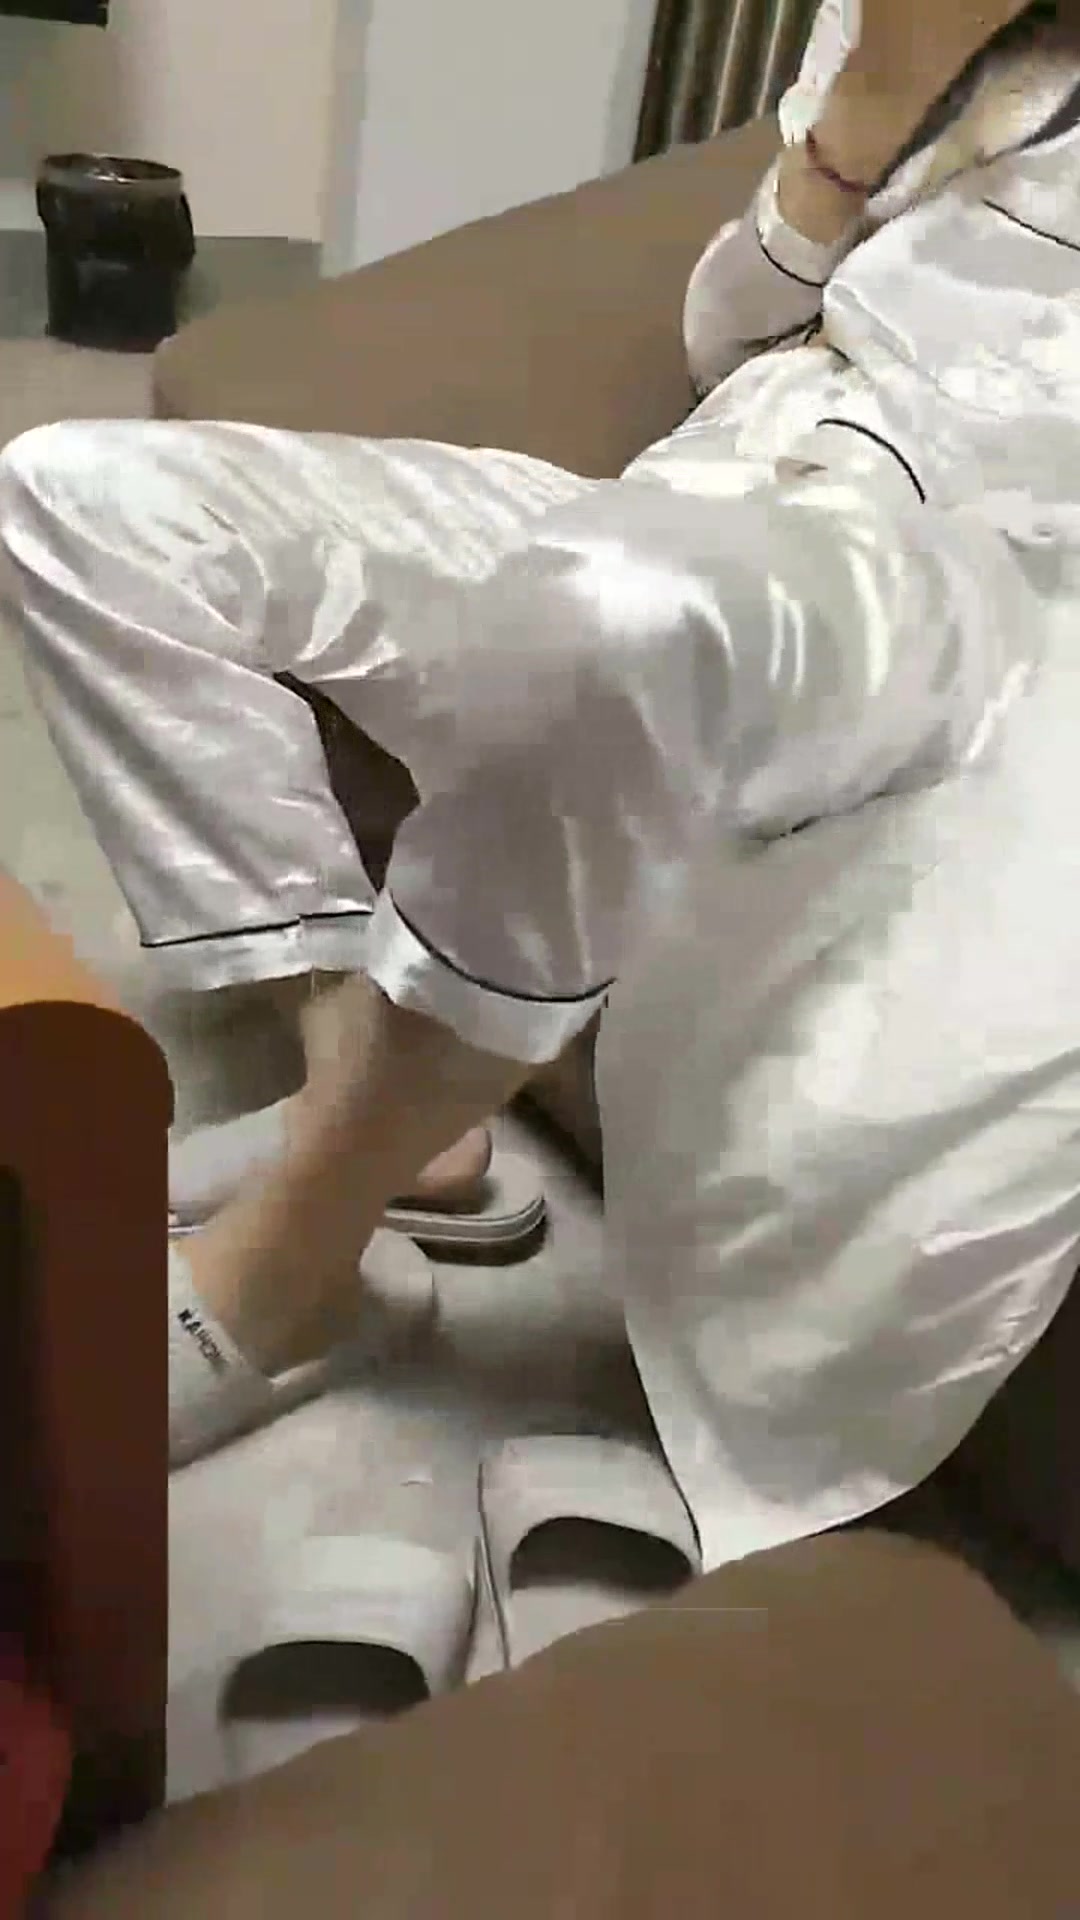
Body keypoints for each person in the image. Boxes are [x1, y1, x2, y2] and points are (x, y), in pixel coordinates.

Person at [3, 0, 1080, 1554]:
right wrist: (874, 102)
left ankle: (287, 1276)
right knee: (77, 494)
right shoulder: (907, 23)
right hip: (703, 493)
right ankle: (380, 1094)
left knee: (623, 613)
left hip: (962, 582)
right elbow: (727, 339)